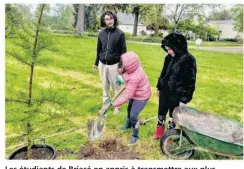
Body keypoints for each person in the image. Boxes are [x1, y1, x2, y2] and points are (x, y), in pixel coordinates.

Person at [153, 32, 197, 139]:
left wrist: (184, 99)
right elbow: (163, 73)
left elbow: (190, 81)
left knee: (173, 115)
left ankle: (169, 136)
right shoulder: (168, 58)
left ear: (178, 47)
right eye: (167, 49)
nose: (169, 51)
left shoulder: (189, 60)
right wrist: (159, 87)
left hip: (177, 94)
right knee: (161, 112)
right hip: (165, 91)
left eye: (171, 49)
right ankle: (159, 133)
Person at [113, 52, 151, 145]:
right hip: (135, 93)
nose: (120, 66)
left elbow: (127, 95)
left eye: (122, 65)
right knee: (129, 109)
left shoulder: (135, 77)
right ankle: (128, 124)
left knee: (133, 115)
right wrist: (121, 77)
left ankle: (135, 136)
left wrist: (114, 103)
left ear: (129, 66)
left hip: (142, 96)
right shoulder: (130, 70)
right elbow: (126, 79)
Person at [93, 11, 127, 114]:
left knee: (116, 87)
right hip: (102, 64)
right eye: (107, 19)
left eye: (111, 18)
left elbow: (123, 51)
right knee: (105, 86)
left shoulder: (120, 34)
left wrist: (121, 66)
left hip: (115, 65)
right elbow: (99, 49)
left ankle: (117, 106)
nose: (109, 21)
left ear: (114, 19)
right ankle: (106, 105)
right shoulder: (101, 33)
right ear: (104, 21)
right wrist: (96, 63)